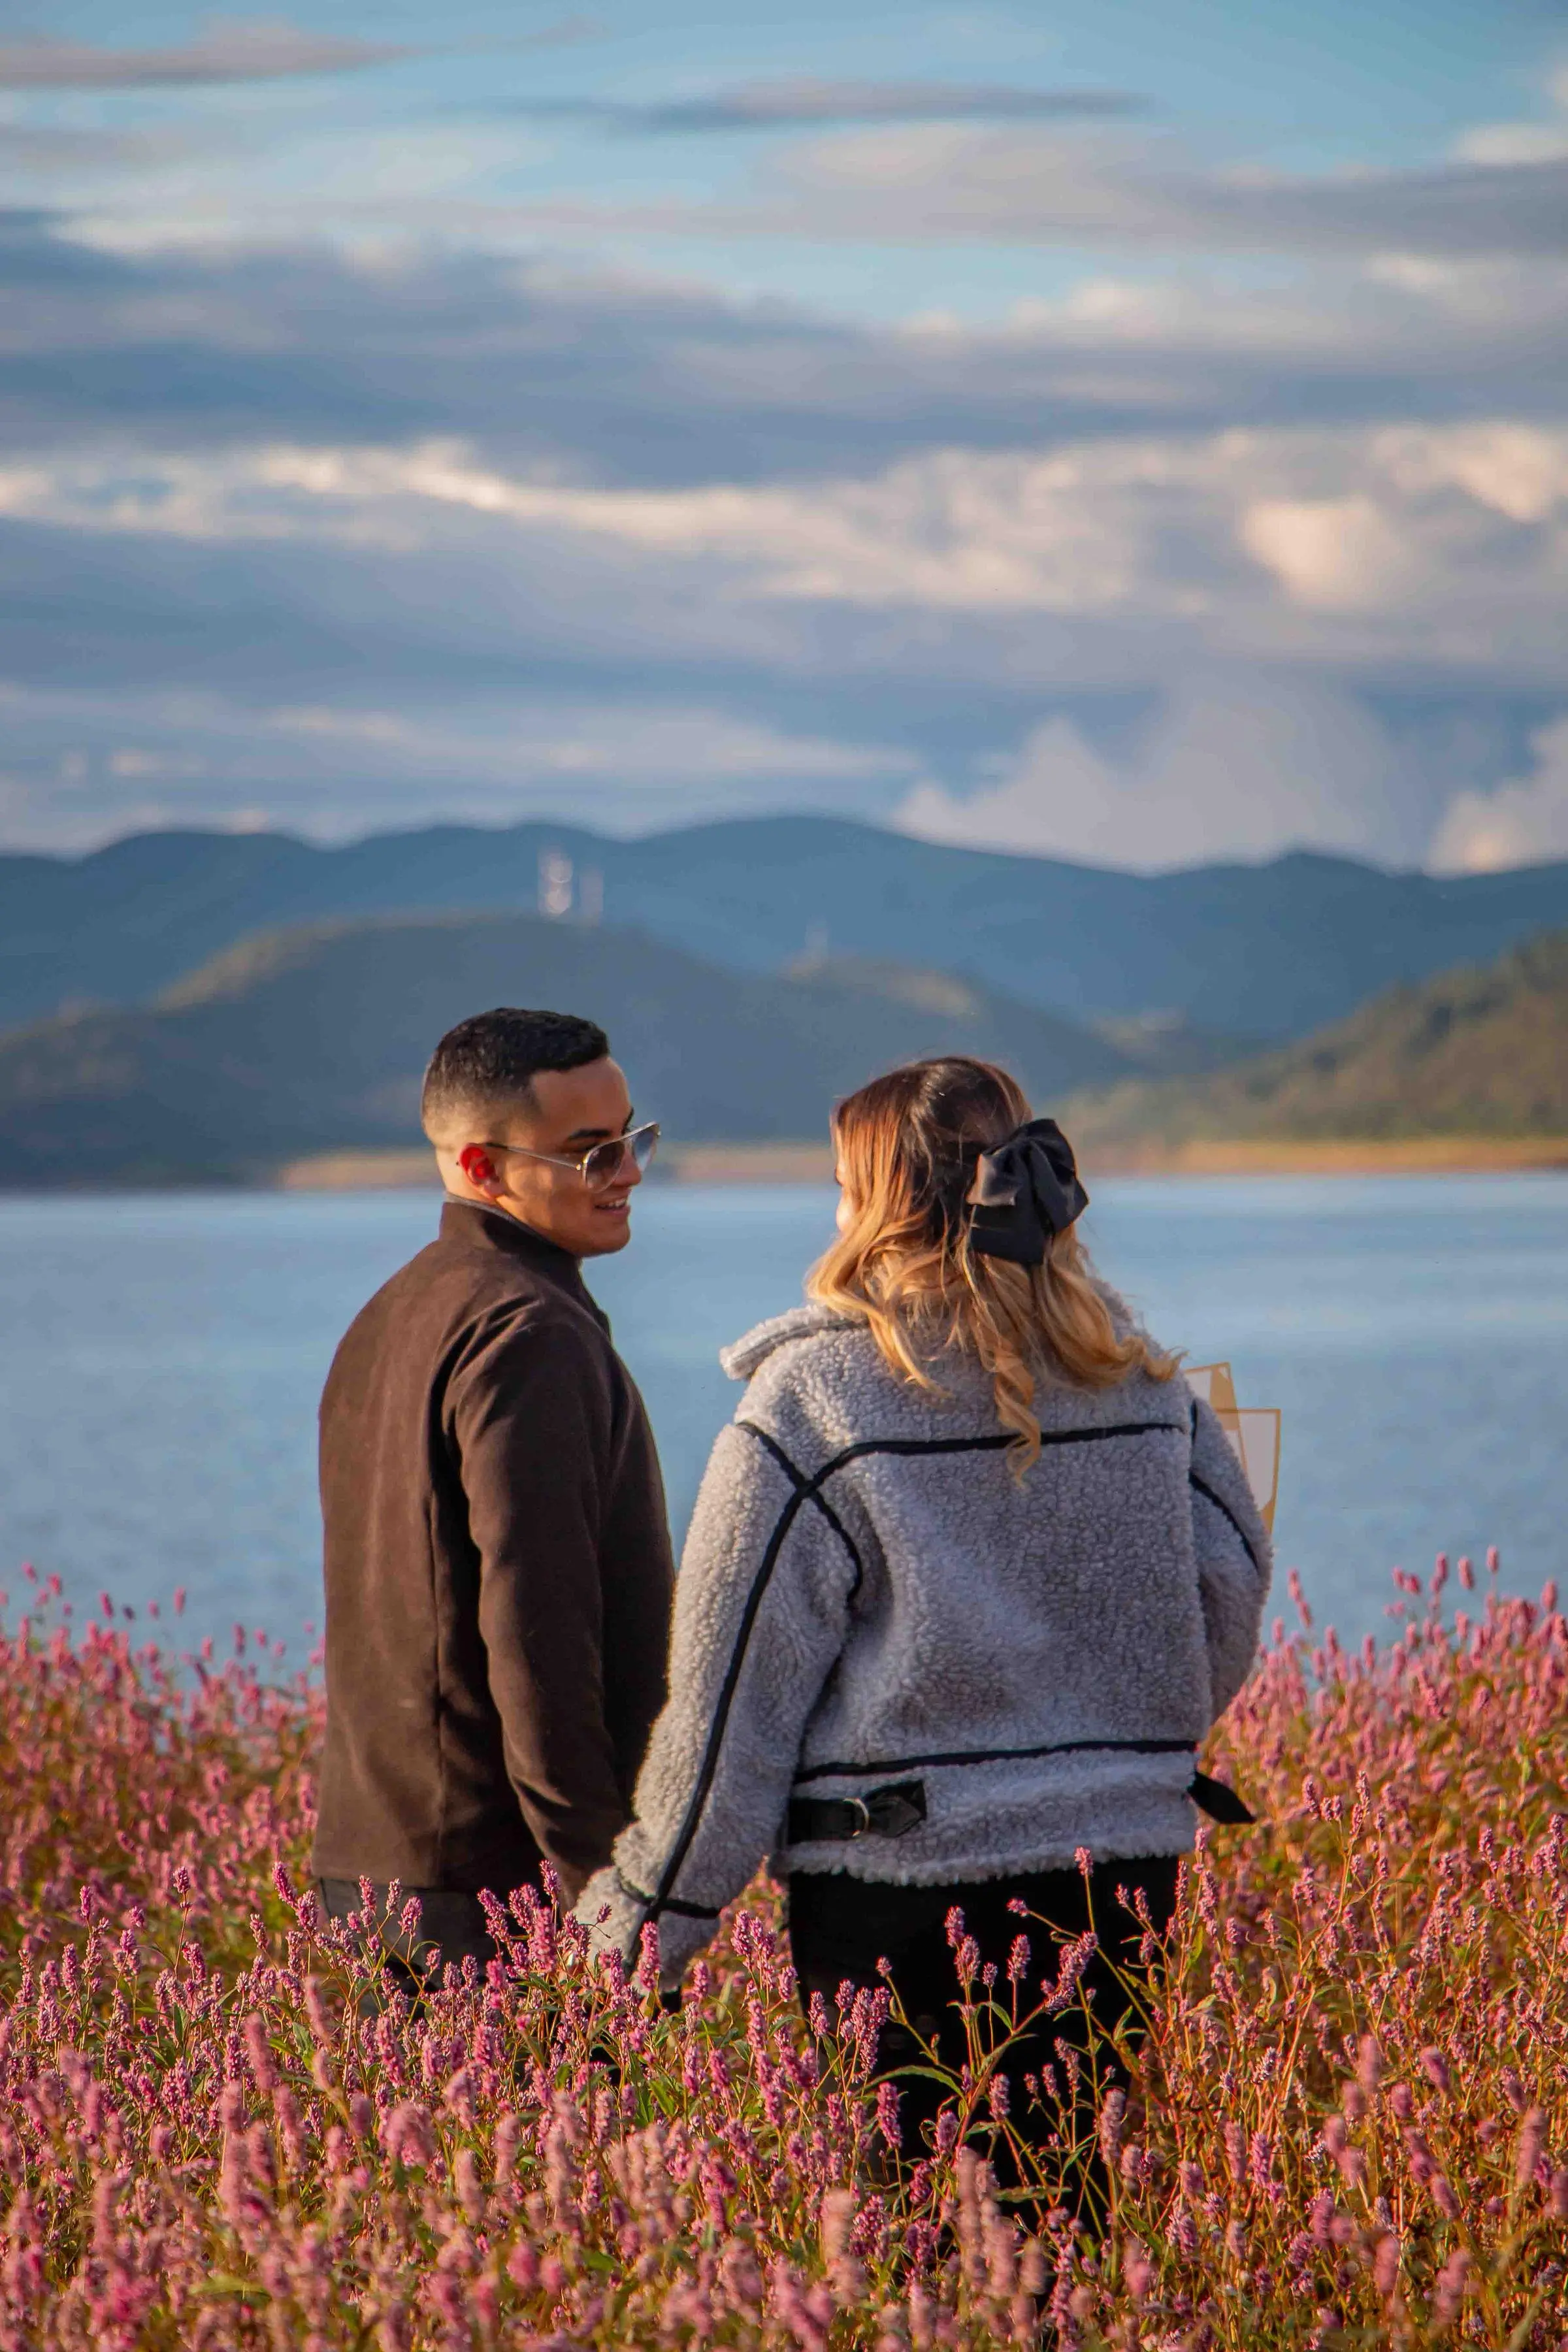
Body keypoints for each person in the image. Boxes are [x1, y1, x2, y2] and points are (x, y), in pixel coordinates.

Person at [576, 1054, 1271, 2190]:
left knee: (924, 2250)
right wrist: (1122, 1748)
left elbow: (732, 1693)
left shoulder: (813, 1402)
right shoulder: (1142, 1382)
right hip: (1124, 1875)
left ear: (875, 1205)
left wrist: (645, 1922)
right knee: (1069, 2225)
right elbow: (1229, 1593)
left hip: (897, 1896)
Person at [313, 1006, 674, 1995]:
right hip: (496, 1903)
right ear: (480, 1167)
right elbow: (537, 1636)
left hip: (375, 1869)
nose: (630, 1171)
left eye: (634, 1137)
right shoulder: (529, 1334)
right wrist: (608, 1893)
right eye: (589, 1153)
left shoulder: (390, 1314)